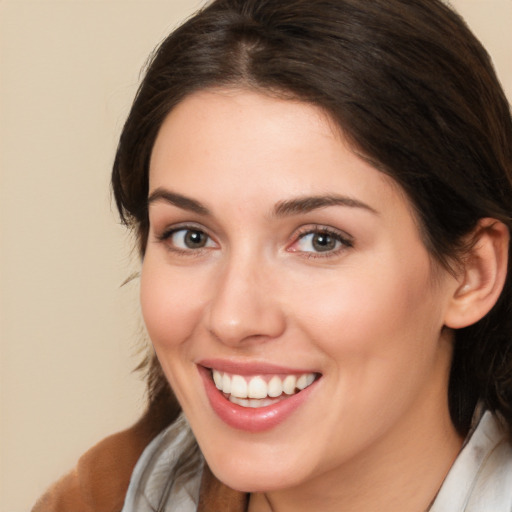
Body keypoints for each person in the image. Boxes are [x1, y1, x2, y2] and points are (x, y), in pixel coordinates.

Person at [33, 0, 512, 510]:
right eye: (192, 236)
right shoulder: (94, 498)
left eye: (320, 240)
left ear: (471, 274)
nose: (233, 318)